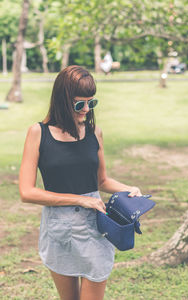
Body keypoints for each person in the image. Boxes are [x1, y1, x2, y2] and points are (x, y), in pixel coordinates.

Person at [19, 65, 142, 300]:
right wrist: (80, 200)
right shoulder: (38, 133)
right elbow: (27, 192)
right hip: (58, 228)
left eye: (91, 103)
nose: (86, 109)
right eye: (79, 104)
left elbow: (102, 180)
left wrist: (129, 189)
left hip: (95, 226)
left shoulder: (94, 133)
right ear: (62, 101)